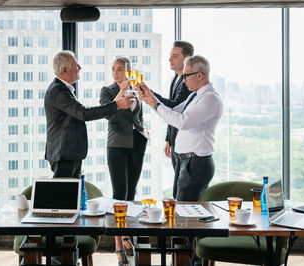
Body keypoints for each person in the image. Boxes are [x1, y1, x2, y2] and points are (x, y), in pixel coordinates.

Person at [137, 55, 223, 201]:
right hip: (187, 162)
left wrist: (154, 104)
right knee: (181, 208)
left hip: (196, 164)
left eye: (186, 76)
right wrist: (150, 96)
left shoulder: (210, 98)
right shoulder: (196, 95)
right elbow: (174, 111)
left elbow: (183, 122)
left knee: (185, 214)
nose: (183, 80)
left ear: (200, 75)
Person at [44, 50, 133, 178]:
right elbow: (84, 113)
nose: (80, 68)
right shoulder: (57, 90)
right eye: (76, 65)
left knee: (72, 195)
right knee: (63, 195)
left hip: (69, 153)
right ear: (65, 70)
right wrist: (117, 104)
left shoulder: (62, 89)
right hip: (63, 153)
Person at [99, 57, 148, 266]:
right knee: (119, 196)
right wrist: (121, 91)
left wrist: (144, 133)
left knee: (131, 194)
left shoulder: (136, 90)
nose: (115, 73)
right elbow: (109, 114)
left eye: (119, 69)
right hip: (117, 145)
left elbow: (139, 117)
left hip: (137, 144)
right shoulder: (107, 91)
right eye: (113, 69)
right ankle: (119, 245)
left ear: (128, 71)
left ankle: (127, 234)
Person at [152, 41, 194, 198]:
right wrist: (168, 139)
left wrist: (150, 95)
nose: (170, 59)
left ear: (187, 58)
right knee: (176, 189)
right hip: (175, 140)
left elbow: (175, 107)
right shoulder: (175, 79)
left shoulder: (186, 82)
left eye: (175, 56)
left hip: (185, 143)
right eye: (170, 56)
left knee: (180, 192)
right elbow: (171, 113)